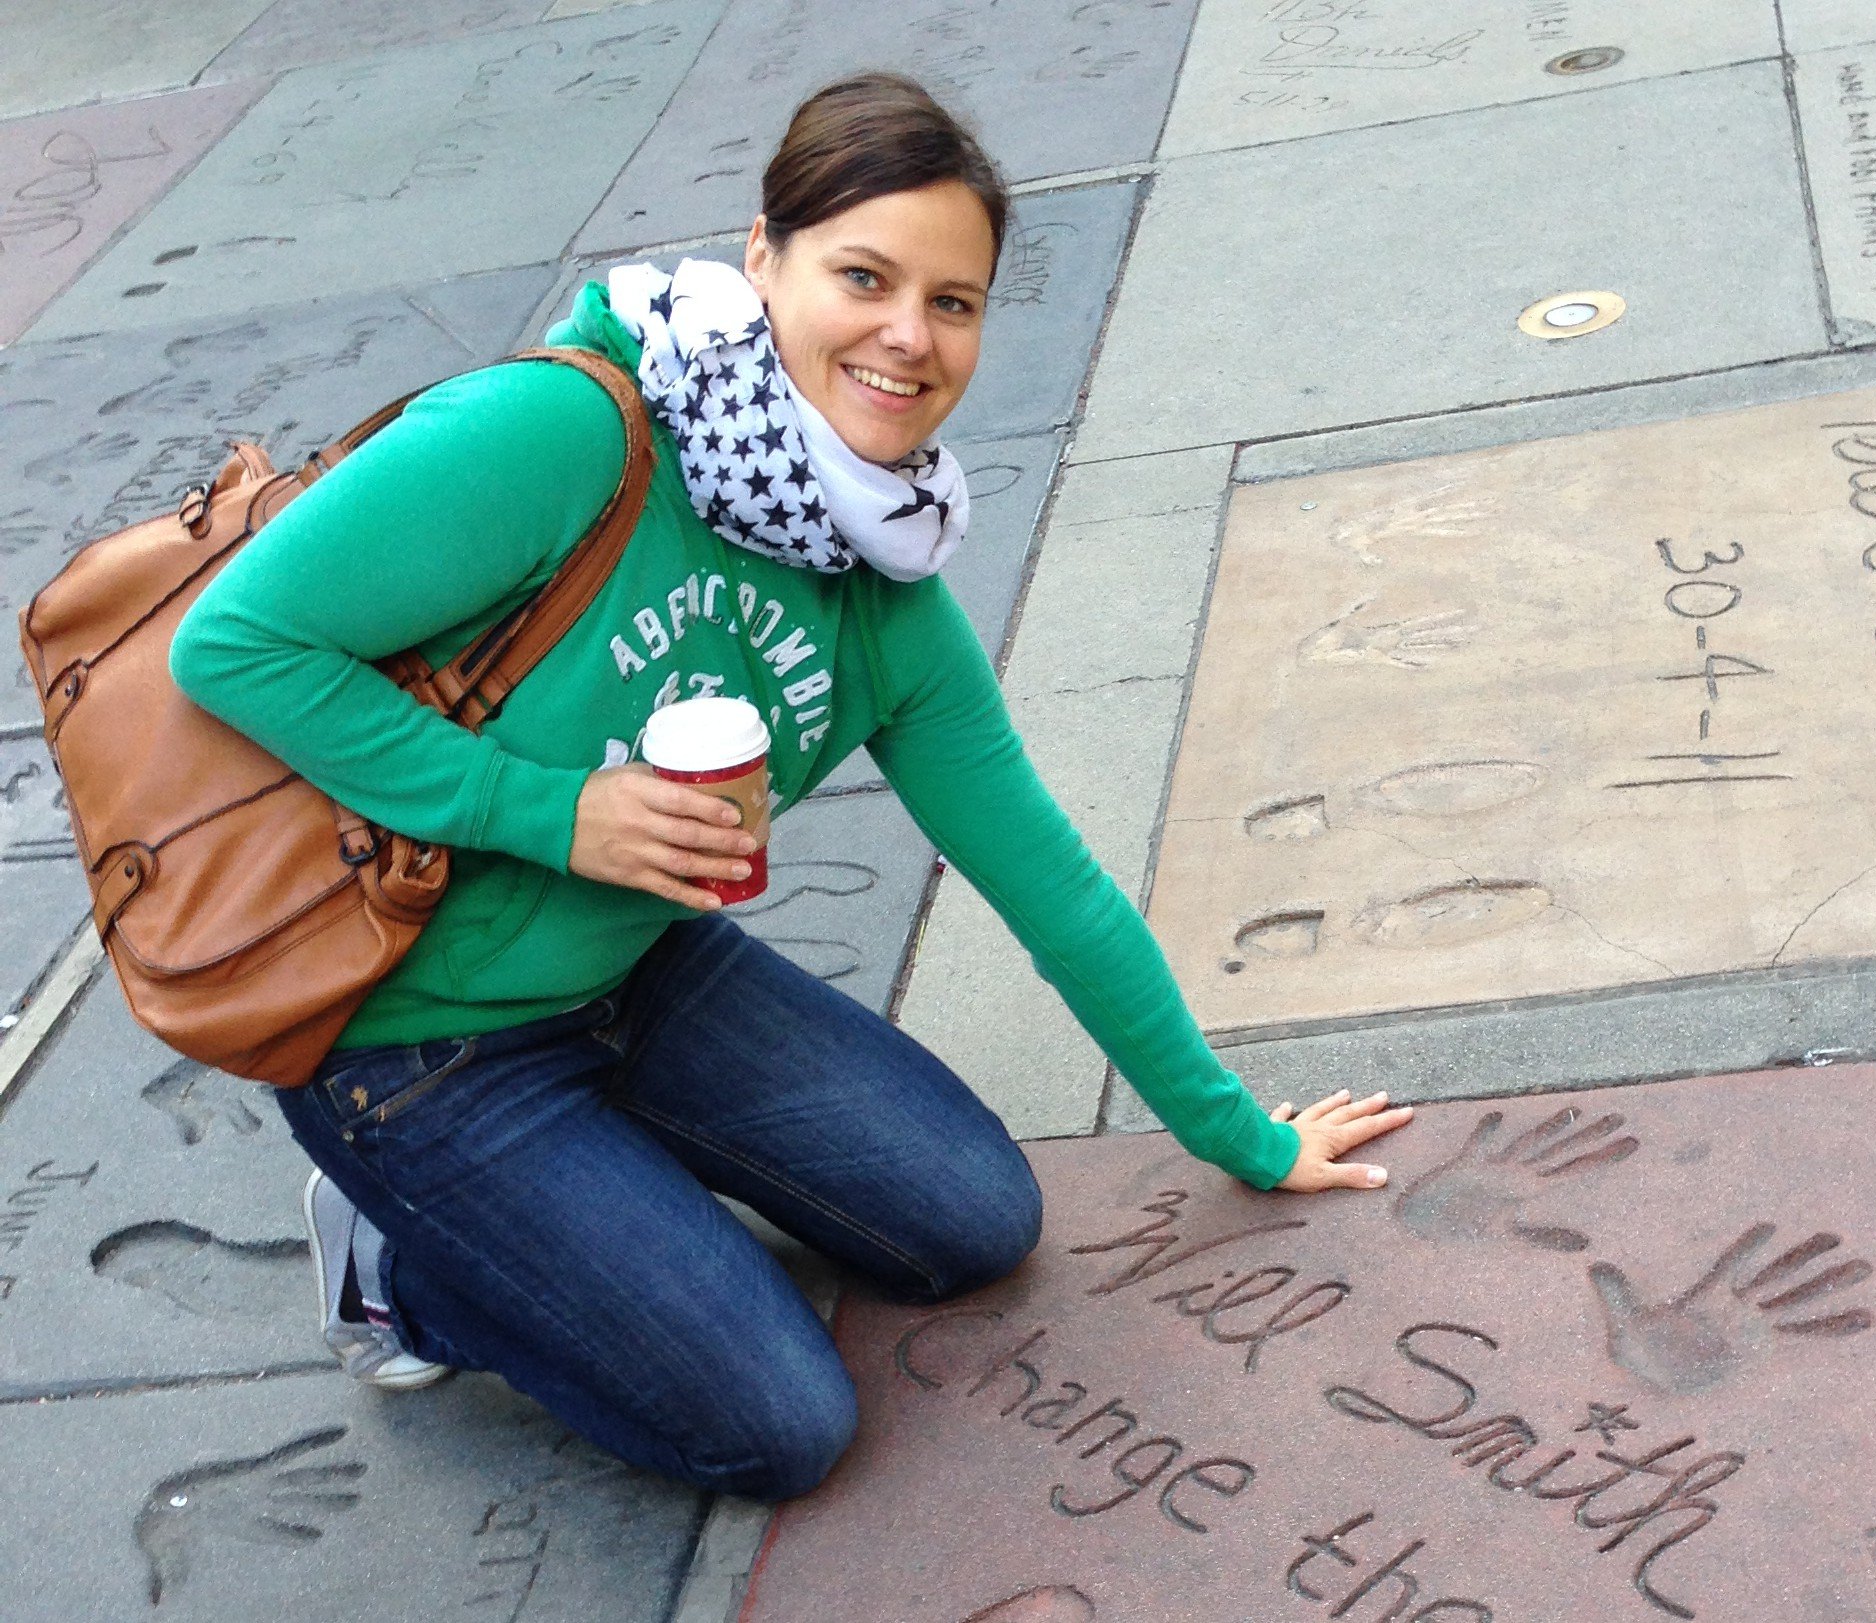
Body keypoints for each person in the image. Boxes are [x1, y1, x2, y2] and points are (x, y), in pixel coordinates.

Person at [167, 73, 1412, 1501]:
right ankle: (400, 1275)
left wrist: (1241, 1137)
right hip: (408, 1033)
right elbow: (237, 646)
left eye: (955, 302)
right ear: (765, 258)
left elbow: (1048, 880)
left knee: (978, 1223)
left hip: (636, 968)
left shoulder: (885, 595)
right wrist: (550, 813)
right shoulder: (567, 437)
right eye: (864, 277)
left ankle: (594, 1195)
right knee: (778, 1424)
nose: (908, 336)